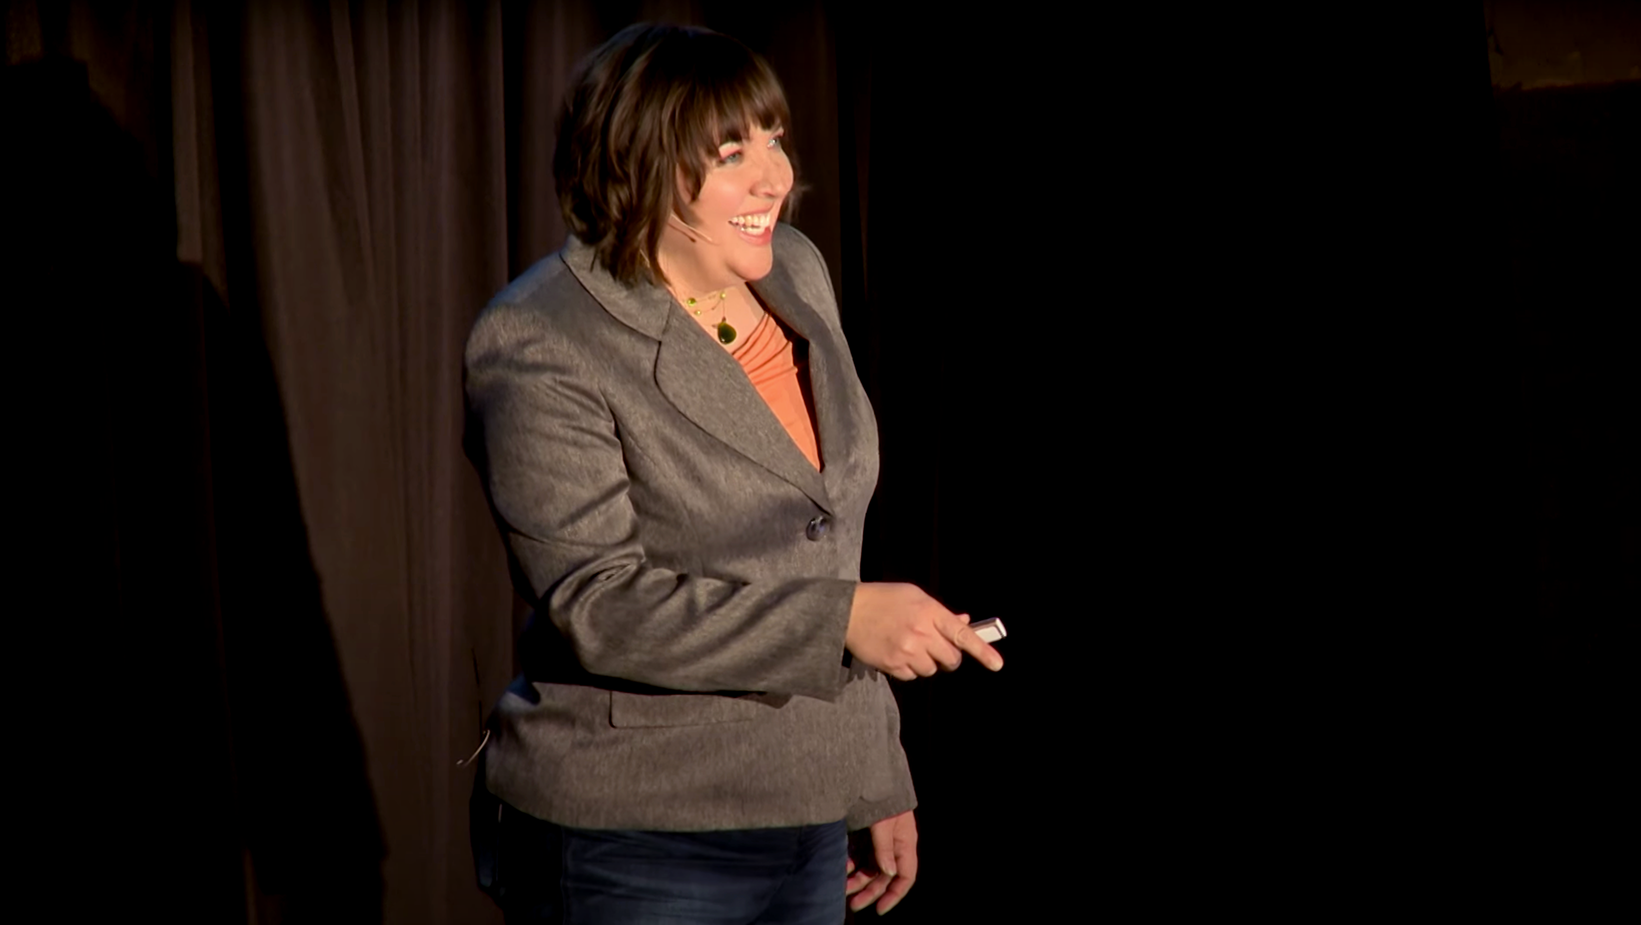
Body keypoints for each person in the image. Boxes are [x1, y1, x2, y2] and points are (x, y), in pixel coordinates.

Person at [462, 23, 1003, 923]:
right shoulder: (542, 339)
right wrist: (845, 620)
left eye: (774, 138)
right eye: (729, 152)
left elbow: (828, 538)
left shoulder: (791, 266)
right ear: (636, 163)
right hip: (636, 836)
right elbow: (601, 602)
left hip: (807, 811)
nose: (774, 177)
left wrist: (871, 773)